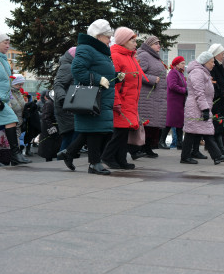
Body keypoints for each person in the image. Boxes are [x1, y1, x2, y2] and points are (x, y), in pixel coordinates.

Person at [57, 19, 117, 175]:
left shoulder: (99, 51)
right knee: (95, 130)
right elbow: (77, 70)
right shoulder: (86, 49)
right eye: (107, 36)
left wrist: (116, 77)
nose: (110, 39)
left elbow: (103, 73)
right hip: (92, 97)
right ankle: (94, 164)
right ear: (98, 36)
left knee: (92, 130)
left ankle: (68, 153)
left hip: (100, 97)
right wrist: (98, 79)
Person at [101, 27, 145, 170]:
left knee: (124, 132)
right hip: (121, 102)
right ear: (124, 41)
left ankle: (120, 159)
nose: (135, 43)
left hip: (130, 101)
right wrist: (116, 101)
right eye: (132, 40)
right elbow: (113, 82)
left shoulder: (129, 56)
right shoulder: (116, 56)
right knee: (119, 132)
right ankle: (108, 157)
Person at [180, 51, 224, 165]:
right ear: (205, 62)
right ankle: (216, 156)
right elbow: (199, 93)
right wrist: (205, 109)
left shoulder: (203, 72)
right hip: (196, 107)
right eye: (211, 62)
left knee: (197, 132)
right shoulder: (198, 73)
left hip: (200, 106)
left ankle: (187, 156)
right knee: (197, 132)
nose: (213, 64)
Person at [0, 31, 31, 165]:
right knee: (12, 119)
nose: (8, 45)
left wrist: (6, 100)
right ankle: (15, 155)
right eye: (5, 42)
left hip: (2, 101)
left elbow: (5, 83)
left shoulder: (2, 59)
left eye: (8, 43)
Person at [136, 36, 169, 152]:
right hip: (147, 97)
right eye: (156, 43)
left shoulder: (155, 57)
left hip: (156, 97)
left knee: (153, 125)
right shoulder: (144, 55)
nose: (159, 45)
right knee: (146, 124)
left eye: (159, 43)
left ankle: (148, 147)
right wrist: (151, 79)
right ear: (149, 45)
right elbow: (138, 72)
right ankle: (141, 147)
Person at [53, 47, 80, 152]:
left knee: (72, 137)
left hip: (70, 106)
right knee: (70, 137)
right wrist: (63, 98)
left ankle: (65, 158)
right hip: (67, 108)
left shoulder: (72, 66)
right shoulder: (67, 67)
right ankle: (63, 159)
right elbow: (58, 84)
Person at [208, 43, 224, 156]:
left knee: (220, 125)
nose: (223, 56)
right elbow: (213, 84)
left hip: (220, 100)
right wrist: (222, 92)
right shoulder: (213, 67)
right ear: (216, 54)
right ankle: (219, 150)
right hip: (216, 100)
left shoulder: (219, 65)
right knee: (217, 125)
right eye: (222, 54)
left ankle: (221, 149)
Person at [166, 56, 186, 151]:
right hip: (174, 100)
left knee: (179, 123)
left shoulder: (180, 73)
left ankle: (179, 143)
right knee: (170, 121)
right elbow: (172, 85)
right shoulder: (173, 72)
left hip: (180, 101)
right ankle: (161, 141)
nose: (184, 65)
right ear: (177, 64)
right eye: (182, 63)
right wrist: (184, 90)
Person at [37, 90, 61, 161]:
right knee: (49, 149)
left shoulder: (52, 103)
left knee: (53, 149)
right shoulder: (49, 103)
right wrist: (52, 129)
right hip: (49, 129)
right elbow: (45, 117)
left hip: (53, 127)